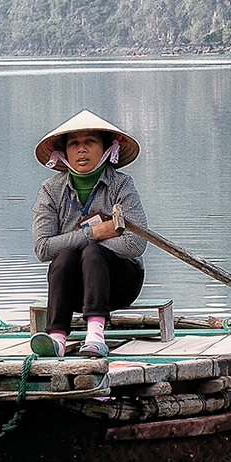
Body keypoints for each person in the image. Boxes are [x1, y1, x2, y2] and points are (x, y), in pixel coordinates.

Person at [29, 110, 147, 357]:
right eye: (74, 144)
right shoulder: (50, 190)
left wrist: (89, 244)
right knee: (65, 256)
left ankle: (95, 336)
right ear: (64, 153)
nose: (81, 150)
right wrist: (95, 233)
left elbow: (135, 245)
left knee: (92, 253)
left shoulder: (121, 185)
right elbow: (42, 248)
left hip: (120, 285)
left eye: (90, 142)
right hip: (73, 292)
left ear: (105, 148)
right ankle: (56, 339)